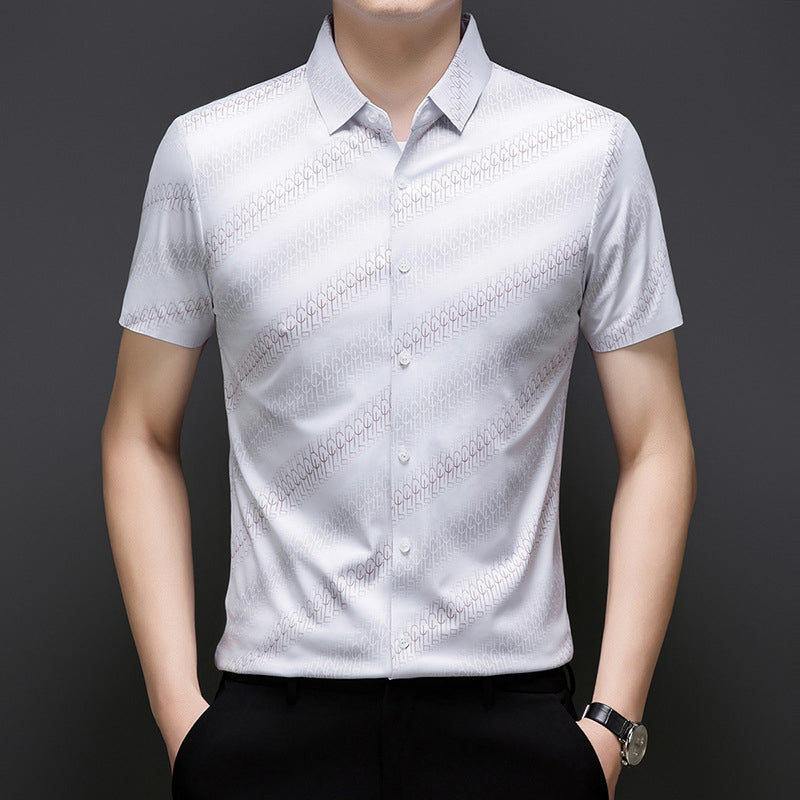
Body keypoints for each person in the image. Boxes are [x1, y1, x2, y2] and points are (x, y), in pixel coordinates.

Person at [101, 2, 696, 798]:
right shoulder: (207, 154)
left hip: (514, 736)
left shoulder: (591, 151)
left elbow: (657, 441)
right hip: (269, 738)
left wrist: (610, 729)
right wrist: (181, 716)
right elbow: (137, 431)